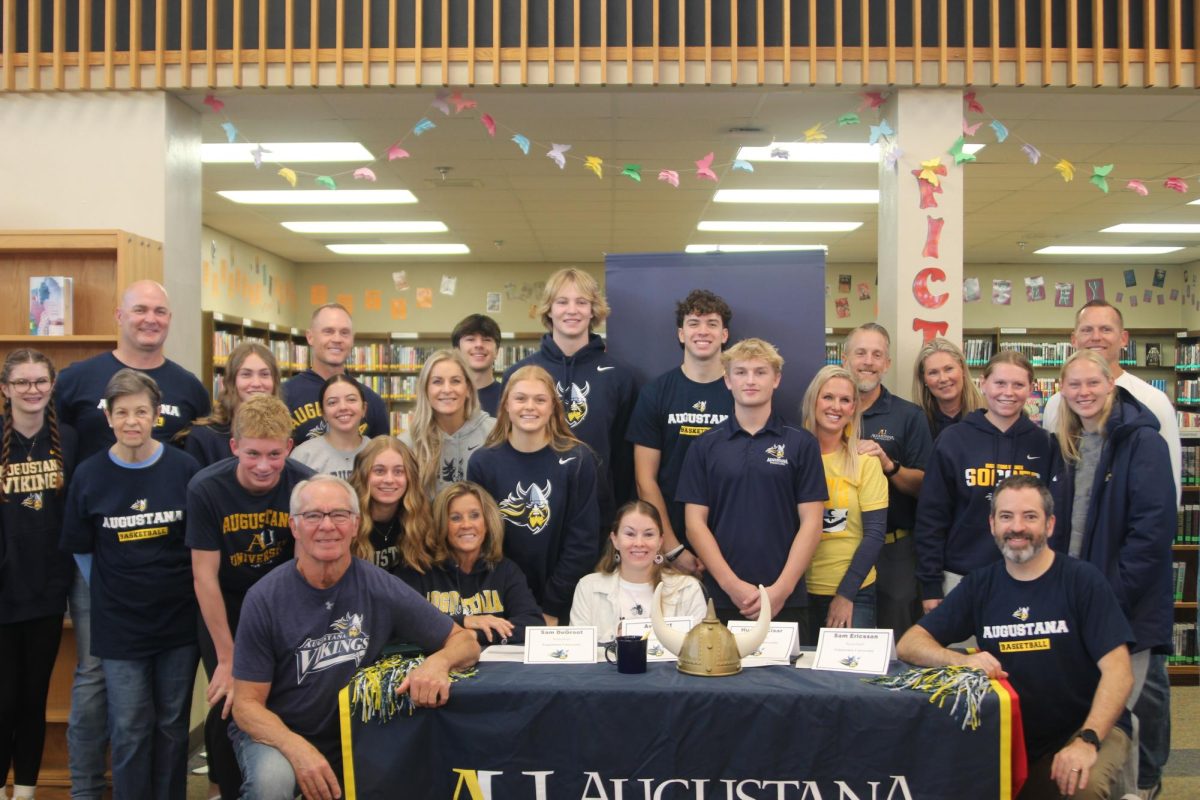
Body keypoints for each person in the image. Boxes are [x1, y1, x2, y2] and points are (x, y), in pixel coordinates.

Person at [52, 280, 209, 799]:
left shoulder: (185, 456)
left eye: (143, 412)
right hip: (115, 608)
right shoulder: (79, 400)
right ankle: (89, 791)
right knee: (123, 717)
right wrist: (107, 585)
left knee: (169, 722)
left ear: (158, 415)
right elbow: (79, 540)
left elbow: (197, 539)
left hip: (173, 611)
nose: (132, 420)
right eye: (122, 412)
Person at [230, 475, 480, 799]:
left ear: (355, 524)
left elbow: (466, 642)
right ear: (294, 526)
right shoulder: (264, 598)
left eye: (338, 515)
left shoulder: (379, 586)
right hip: (278, 734)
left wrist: (437, 664)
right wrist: (297, 750)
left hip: (352, 736)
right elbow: (246, 706)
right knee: (271, 784)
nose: (327, 526)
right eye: (313, 516)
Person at [898, 475, 1134, 800]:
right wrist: (963, 659)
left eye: (1030, 516)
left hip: (1086, 728)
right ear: (993, 524)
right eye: (1006, 516)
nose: (1017, 527)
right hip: (1011, 735)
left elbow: (1120, 672)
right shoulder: (981, 585)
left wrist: (1087, 740)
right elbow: (910, 643)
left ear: (1050, 525)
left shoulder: (1083, 581)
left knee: (1083, 787)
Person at [1041, 300, 1180, 799]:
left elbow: (1151, 533)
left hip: (1124, 604)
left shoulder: (1143, 442)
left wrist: (1106, 602)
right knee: (1087, 706)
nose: (1083, 392)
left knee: (1122, 712)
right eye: (1074, 385)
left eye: (1093, 384)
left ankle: (1136, 791)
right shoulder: (1066, 441)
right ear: (1062, 390)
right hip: (1074, 599)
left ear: (1111, 386)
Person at [186, 394, 316, 800]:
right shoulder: (206, 489)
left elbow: (303, 568)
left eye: (274, 454)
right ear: (235, 447)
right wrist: (227, 657)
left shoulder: (304, 484)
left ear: (289, 448)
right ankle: (220, 786)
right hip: (225, 602)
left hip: (281, 600)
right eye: (253, 453)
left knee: (279, 692)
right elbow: (204, 576)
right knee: (229, 696)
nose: (264, 465)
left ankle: (281, 773)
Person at [675, 338, 827, 624]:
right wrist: (731, 586)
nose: (750, 380)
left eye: (760, 372)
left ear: (776, 379)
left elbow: (812, 522)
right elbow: (694, 524)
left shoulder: (802, 443)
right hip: (721, 596)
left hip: (786, 599)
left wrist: (782, 589)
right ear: (728, 380)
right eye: (741, 372)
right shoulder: (704, 446)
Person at [915, 350, 1054, 611]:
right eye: (1000, 383)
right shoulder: (953, 440)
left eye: (1018, 384)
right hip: (960, 578)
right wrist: (930, 585)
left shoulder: (1045, 444)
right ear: (983, 383)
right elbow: (931, 517)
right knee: (957, 653)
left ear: (1031, 388)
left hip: (1029, 577)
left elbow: (1052, 518)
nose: (1008, 392)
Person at [504, 267, 637, 535]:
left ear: (593, 310)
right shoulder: (519, 374)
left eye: (582, 302)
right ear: (549, 310)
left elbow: (625, 459)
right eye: (562, 302)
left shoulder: (620, 376)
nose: (572, 310)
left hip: (598, 516)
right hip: (532, 515)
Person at [0, 350, 77, 800]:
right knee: (3, 701)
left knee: (34, 700)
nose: (32, 390)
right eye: (22, 382)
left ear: (52, 386)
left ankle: (26, 790)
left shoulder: (67, 438)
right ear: (6, 389)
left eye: (40, 381)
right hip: (4, 594)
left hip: (48, 593)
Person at [467, 365, 599, 625]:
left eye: (540, 400)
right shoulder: (482, 462)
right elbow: (480, 542)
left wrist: (551, 606)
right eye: (520, 398)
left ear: (553, 407)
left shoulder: (578, 459)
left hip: (561, 602)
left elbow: (583, 542)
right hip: (500, 604)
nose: (530, 407)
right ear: (505, 404)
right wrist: (514, 603)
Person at [626, 289, 734, 577]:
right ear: (681, 334)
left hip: (731, 547)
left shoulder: (742, 392)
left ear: (724, 335)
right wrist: (672, 548)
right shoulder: (656, 393)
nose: (703, 331)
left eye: (712, 324)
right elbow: (644, 479)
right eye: (694, 323)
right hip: (671, 547)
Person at [842, 323, 933, 638]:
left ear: (887, 364)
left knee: (899, 640)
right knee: (846, 642)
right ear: (844, 359)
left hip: (893, 549)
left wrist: (889, 465)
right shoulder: (828, 410)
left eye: (876, 354)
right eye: (861, 353)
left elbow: (924, 485)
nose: (868, 361)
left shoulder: (909, 416)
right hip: (840, 546)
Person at [799, 365, 888, 644]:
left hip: (853, 591)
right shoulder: (790, 457)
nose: (835, 406)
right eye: (828, 397)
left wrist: (846, 594)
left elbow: (874, 535)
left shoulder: (865, 461)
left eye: (845, 400)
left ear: (853, 409)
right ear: (813, 401)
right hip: (796, 591)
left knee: (849, 682)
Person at [402, 481, 544, 646]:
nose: (466, 525)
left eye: (475, 515)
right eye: (455, 518)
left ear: (487, 522)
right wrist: (466, 621)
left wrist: (473, 635)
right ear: (441, 524)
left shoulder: (505, 570)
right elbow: (404, 622)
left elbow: (532, 624)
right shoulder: (417, 569)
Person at [570, 500, 707, 643]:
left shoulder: (687, 589)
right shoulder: (588, 587)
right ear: (615, 539)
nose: (639, 543)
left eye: (648, 535)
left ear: (660, 541)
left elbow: (701, 651)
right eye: (630, 534)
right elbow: (578, 654)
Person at [283, 303, 389, 444]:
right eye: (328, 331)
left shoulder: (372, 401)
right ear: (310, 337)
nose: (337, 339)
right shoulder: (283, 395)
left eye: (344, 332)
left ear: (352, 339)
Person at [402, 349, 495, 498]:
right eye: (437, 382)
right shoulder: (407, 444)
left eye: (455, 381)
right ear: (425, 390)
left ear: (469, 389)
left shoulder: (494, 433)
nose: (447, 389)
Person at [181, 341, 282, 467]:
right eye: (246, 374)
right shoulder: (203, 438)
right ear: (231, 381)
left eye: (264, 374)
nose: (256, 383)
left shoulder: (283, 434)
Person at [348, 436, 437, 575]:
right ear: (363, 475)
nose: (389, 480)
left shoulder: (421, 519)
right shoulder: (345, 521)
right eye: (379, 471)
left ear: (410, 477)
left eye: (398, 472)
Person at [289, 374, 371, 478]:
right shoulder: (303, 456)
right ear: (323, 413)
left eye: (351, 399)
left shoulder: (377, 452)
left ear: (364, 408)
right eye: (332, 402)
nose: (343, 407)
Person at [912, 337, 984, 442]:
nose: (943, 379)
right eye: (933, 372)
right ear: (924, 380)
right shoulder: (916, 423)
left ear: (962, 369)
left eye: (949, 369)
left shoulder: (987, 415)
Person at [452, 313, 504, 415]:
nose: (479, 345)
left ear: (497, 351)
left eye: (486, 340)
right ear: (457, 350)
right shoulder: (447, 395)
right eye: (471, 339)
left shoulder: (508, 396)